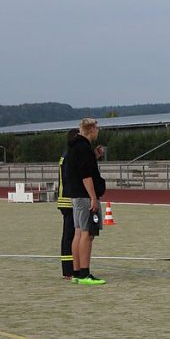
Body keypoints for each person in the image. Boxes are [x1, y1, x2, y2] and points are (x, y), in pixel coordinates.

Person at [66, 118, 107, 285]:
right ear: (90, 129)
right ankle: (84, 273)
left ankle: (76, 272)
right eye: (96, 127)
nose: (98, 130)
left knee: (78, 232)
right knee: (87, 233)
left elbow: (81, 168)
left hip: (76, 194)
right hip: (84, 196)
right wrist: (92, 197)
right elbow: (86, 174)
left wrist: (94, 156)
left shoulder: (75, 146)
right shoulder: (83, 147)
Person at [56, 128, 80, 280]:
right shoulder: (70, 156)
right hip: (69, 200)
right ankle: (69, 270)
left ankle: (70, 269)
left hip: (66, 200)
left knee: (69, 236)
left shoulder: (66, 155)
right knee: (69, 237)